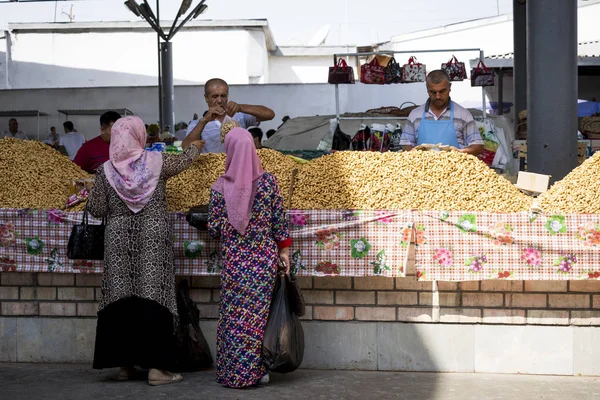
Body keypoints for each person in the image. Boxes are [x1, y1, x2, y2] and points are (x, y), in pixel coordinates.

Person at [87, 116, 205, 386]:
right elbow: (184, 161)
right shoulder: (156, 162)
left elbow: (96, 209)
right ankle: (157, 369)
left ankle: (125, 367)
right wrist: (195, 147)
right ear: (140, 136)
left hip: (118, 239)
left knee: (121, 296)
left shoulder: (105, 170)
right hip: (153, 235)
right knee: (153, 294)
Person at [207, 127, 291, 389]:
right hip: (263, 260)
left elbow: (214, 228)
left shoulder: (221, 187)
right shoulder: (268, 183)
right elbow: (280, 223)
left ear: (229, 152)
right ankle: (257, 371)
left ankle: (232, 373)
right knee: (258, 317)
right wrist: (284, 252)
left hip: (235, 262)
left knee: (234, 318)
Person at [400, 70, 484, 155]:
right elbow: (406, 144)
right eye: (433, 92)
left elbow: (477, 146)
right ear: (427, 89)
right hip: (422, 167)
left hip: (455, 166)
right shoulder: (415, 115)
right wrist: (412, 152)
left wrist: (460, 152)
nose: (438, 96)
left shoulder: (463, 115)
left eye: (442, 91)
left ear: (450, 87)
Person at [186, 78, 275, 153]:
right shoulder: (197, 124)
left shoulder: (239, 117)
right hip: (212, 170)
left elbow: (270, 114)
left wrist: (241, 107)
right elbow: (186, 148)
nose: (220, 100)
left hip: (238, 168)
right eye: (215, 96)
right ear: (206, 98)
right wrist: (204, 121)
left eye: (223, 96)